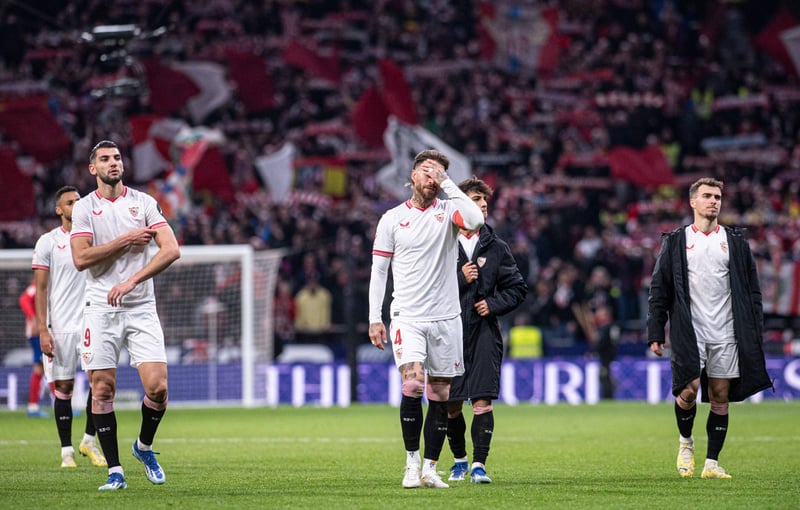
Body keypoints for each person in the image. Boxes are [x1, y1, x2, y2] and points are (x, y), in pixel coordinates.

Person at [368, 149, 484, 489]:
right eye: (428, 172)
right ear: (413, 175)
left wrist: (448, 183)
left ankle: (430, 468)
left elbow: (476, 221)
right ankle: (411, 463)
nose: (433, 179)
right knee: (413, 385)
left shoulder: (449, 212)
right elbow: (379, 270)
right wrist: (375, 317)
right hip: (408, 316)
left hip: (446, 318)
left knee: (440, 394)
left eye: (439, 174)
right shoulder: (392, 219)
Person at [70, 140, 181, 491]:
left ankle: (143, 447)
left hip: (141, 306)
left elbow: (171, 249)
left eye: (117, 157)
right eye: (105, 159)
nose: (113, 163)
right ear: (93, 168)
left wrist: (133, 280)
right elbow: (81, 259)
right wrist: (126, 240)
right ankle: (115, 471)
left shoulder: (144, 202)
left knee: (158, 388)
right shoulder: (84, 208)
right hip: (100, 307)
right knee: (102, 389)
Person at [646, 177, 772, 480]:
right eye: (707, 196)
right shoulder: (676, 241)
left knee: (720, 395)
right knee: (688, 390)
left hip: (727, 330)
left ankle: (712, 464)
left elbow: (752, 291)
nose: (713, 201)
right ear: (693, 202)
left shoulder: (735, 242)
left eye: (717, 196)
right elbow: (659, 289)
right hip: (690, 330)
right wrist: (655, 331)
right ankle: (685, 443)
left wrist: (755, 331)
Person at [445, 177, 528, 484]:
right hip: (448, 332)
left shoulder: (496, 247)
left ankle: (479, 465)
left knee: (482, 400)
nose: (482, 205)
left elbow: (518, 288)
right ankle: (459, 461)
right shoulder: (442, 241)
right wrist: (460, 278)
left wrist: (493, 304)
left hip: (483, 332)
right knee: (451, 403)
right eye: (476, 200)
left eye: (484, 200)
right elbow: (425, 285)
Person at [32, 185, 107, 468]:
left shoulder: (94, 237)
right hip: (61, 324)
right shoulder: (48, 242)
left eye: (79, 200)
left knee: (100, 384)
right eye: (69, 202)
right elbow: (40, 289)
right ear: (58, 209)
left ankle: (89, 441)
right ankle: (66, 451)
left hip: (93, 321)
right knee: (64, 386)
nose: (76, 205)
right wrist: (43, 329)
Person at [18, 281, 50, 418]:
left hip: (42, 331)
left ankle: (33, 406)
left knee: (41, 368)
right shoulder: (37, 284)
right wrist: (33, 318)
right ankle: (61, 403)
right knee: (49, 366)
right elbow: (24, 300)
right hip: (38, 333)